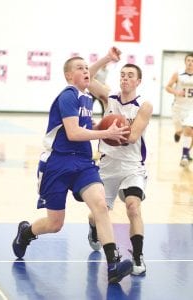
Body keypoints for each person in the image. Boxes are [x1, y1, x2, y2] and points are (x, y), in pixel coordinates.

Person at [12, 47, 133, 284]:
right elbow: (73, 132)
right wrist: (105, 131)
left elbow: (87, 79)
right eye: (80, 68)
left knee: (100, 205)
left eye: (88, 69)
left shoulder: (86, 97)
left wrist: (107, 59)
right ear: (69, 75)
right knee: (55, 224)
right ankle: (26, 232)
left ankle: (113, 265)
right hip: (57, 163)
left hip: (83, 162)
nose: (87, 71)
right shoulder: (68, 96)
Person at [87, 57, 153, 276]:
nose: (125, 79)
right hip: (107, 164)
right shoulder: (109, 97)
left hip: (132, 165)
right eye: (122, 75)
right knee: (97, 213)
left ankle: (137, 256)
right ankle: (94, 229)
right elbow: (88, 77)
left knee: (133, 206)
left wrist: (110, 131)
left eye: (130, 76)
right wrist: (107, 59)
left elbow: (133, 137)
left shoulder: (144, 106)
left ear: (138, 81)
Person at [165, 53, 193, 167]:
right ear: (185, 62)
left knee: (189, 129)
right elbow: (167, 87)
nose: (191, 63)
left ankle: (185, 155)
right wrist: (176, 92)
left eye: (192, 61)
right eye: (189, 60)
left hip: (191, 108)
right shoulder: (178, 74)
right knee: (180, 130)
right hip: (178, 107)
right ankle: (177, 133)